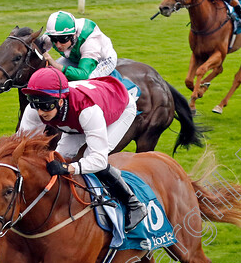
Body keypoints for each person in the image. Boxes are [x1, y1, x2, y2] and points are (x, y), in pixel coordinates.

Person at [19, 67, 147, 231]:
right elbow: (24, 146)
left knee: (89, 157)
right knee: (60, 156)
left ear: (59, 101)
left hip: (120, 107)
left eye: (45, 106)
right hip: (79, 113)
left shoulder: (87, 111)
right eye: (35, 105)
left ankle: (133, 203)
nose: (40, 112)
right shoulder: (37, 108)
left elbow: (99, 160)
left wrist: (69, 168)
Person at [43, 10, 118, 80]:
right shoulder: (52, 34)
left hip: (103, 60)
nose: (58, 45)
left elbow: (83, 75)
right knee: (51, 74)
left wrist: (54, 63)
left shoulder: (90, 41)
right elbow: (34, 47)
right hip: (75, 57)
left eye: (63, 39)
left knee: (86, 81)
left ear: (74, 35)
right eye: (54, 39)